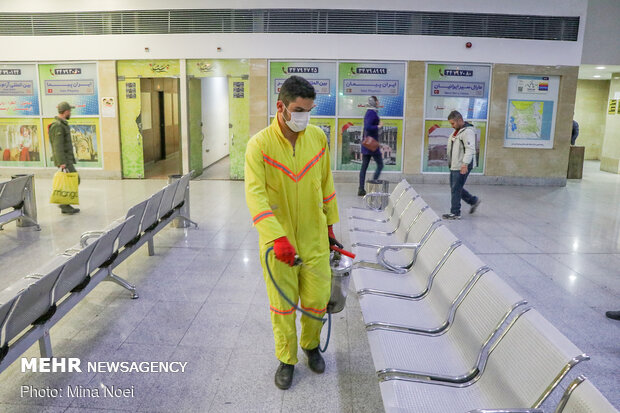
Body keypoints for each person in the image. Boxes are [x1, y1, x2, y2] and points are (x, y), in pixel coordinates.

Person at [244, 76, 340, 390]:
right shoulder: (259, 145)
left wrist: (330, 228)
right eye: (299, 110)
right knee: (283, 305)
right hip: (278, 244)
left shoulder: (318, 139)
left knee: (316, 299)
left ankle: (310, 345)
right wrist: (275, 237)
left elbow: (326, 186)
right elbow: (255, 196)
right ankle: (286, 358)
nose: (304, 117)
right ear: (281, 106)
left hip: (314, 237)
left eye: (309, 110)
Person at [442, 110, 481, 220]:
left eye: (453, 123)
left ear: (459, 120)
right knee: (455, 188)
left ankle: (455, 213)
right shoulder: (457, 132)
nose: (452, 126)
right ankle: (473, 200)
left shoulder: (467, 132)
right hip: (455, 165)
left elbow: (470, 149)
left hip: (462, 165)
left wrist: (465, 164)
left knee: (455, 188)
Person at [49, 101, 80, 214]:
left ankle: (65, 204)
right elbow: (57, 145)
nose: (70, 113)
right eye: (69, 111)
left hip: (67, 159)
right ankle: (64, 204)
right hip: (64, 160)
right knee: (74, 180)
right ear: (65, 112)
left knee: (72, 180)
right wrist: (62, 162)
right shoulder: (57, 126)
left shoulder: (62, 124)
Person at [358, 96, 383, 196]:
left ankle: (361, 188)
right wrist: (378, 126)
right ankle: (372, 186)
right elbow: (368, 127)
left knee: (364, 167)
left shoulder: (371, 111)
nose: (378, 102)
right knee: (380, 165)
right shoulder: (371, 112)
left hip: (368, 144)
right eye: (377, 101)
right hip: (372, 145)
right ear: (374, 102)